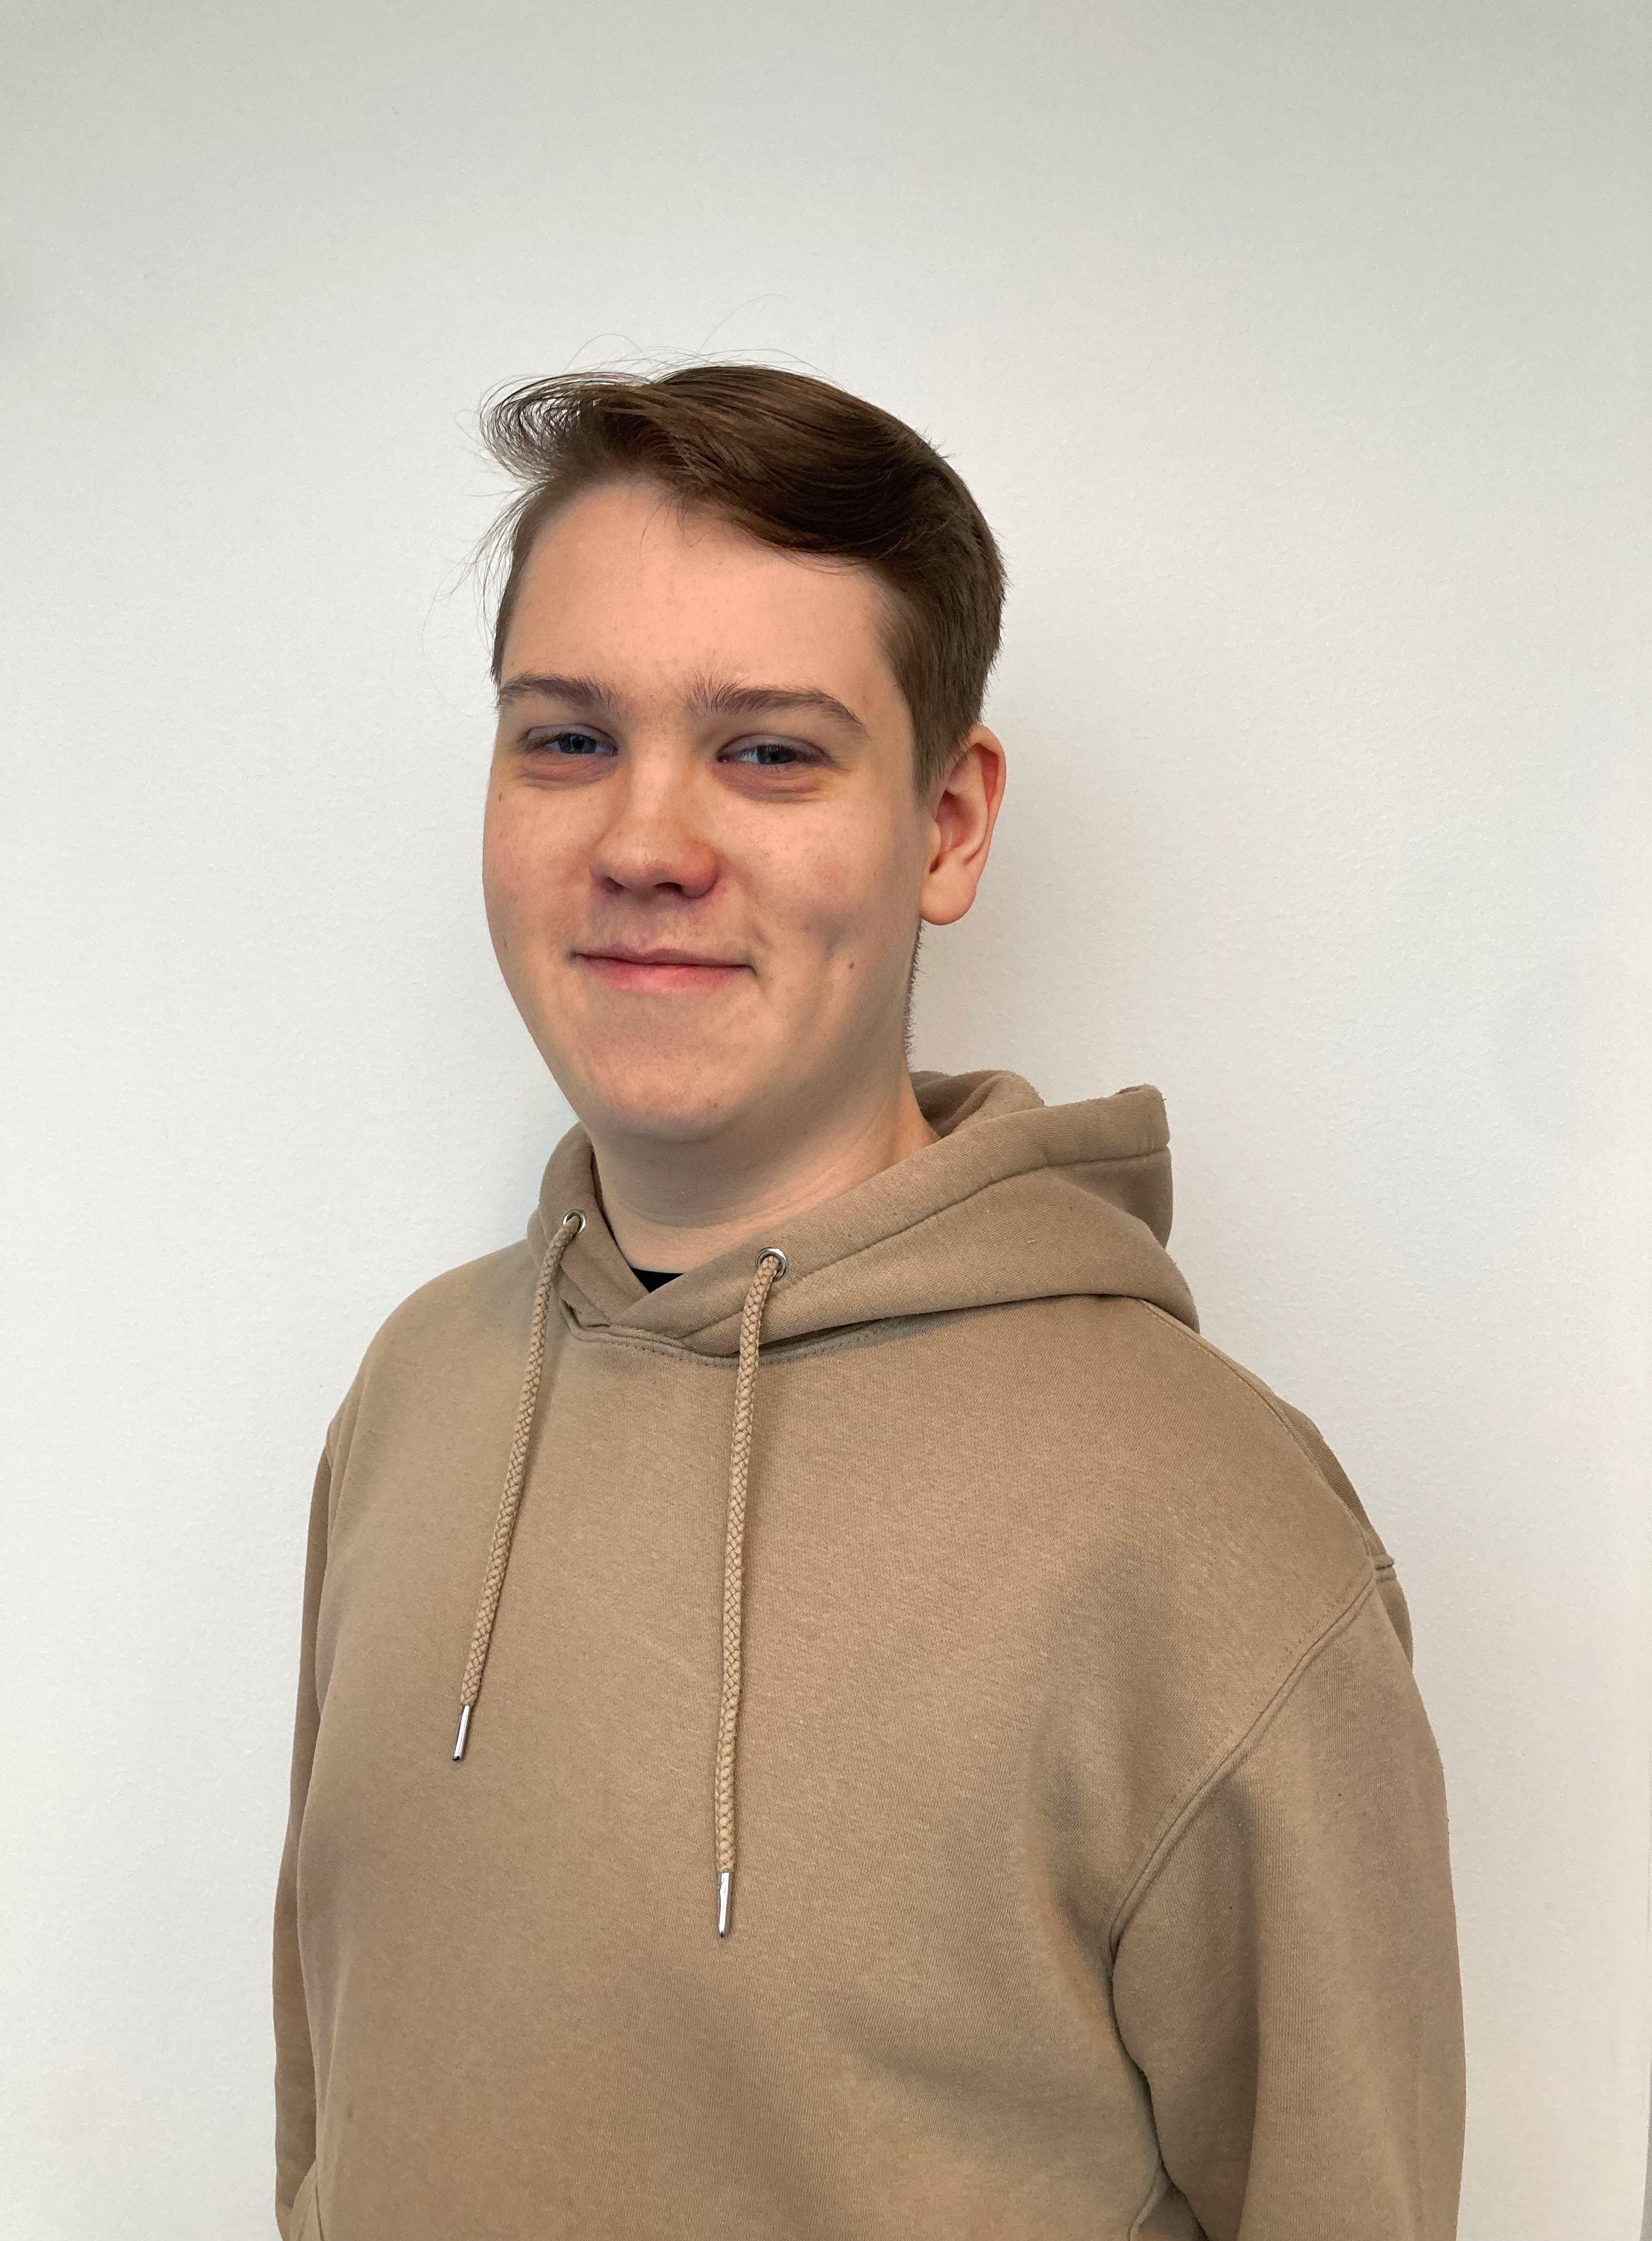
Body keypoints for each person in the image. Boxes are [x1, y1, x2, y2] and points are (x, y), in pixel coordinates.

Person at [271, 363, 1466, 2240]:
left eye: (770, 750)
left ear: (946, 827)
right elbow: (331, 2127)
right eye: (565, 738)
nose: (648, 841)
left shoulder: (1209, 1534)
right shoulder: (414, 1397)